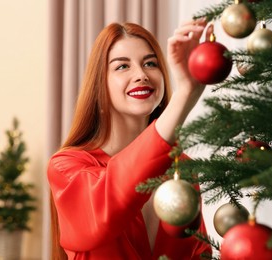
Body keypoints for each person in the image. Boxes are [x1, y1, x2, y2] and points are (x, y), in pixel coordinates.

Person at [47, 19, 213, 259]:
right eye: (122, 66)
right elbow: (108, 203)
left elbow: (199, 253)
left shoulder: (182, 168)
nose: (141, 75)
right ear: (100, 83)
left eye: (150, 63)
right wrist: (185, 94)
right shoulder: (66, 167)